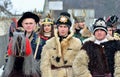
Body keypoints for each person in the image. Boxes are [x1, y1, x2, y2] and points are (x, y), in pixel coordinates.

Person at [40, 12, 82, 77]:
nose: (62, 29)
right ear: (57, 28)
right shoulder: (49, 43)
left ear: (68, 28)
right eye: (60, 26)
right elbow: (45, 65)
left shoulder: (76, 43)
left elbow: (81, 63)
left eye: (65, 27)